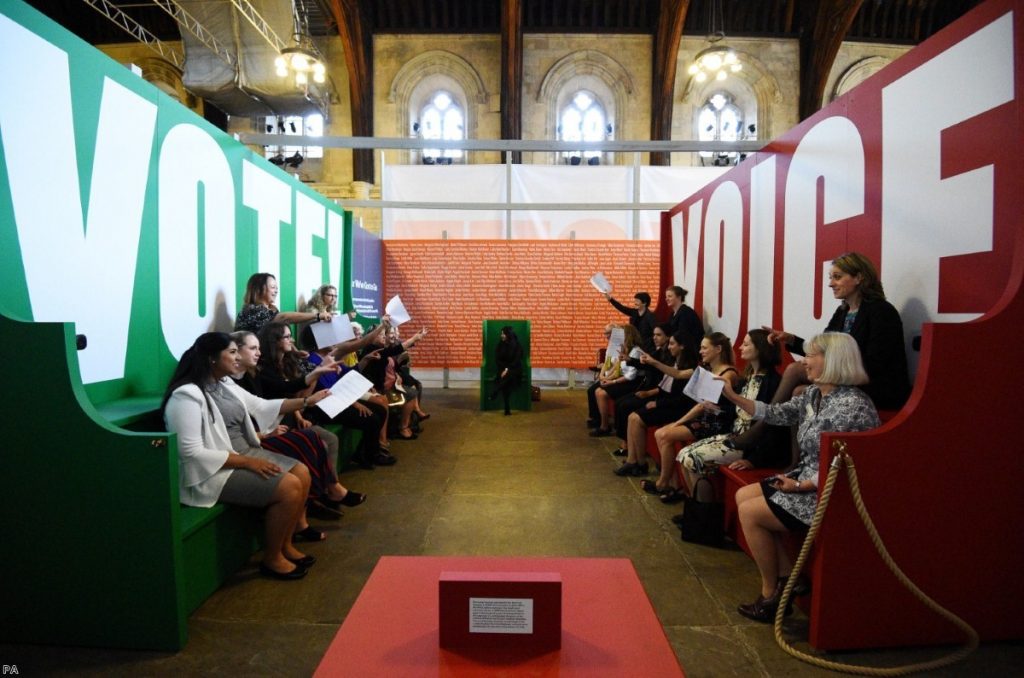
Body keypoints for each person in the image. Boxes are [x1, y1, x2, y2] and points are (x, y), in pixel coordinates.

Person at [719, 332, 880, 622]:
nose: (805, 362)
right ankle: (789, 580)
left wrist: (803, 484)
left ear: (832, 361)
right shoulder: (814, 395)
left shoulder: (853, 406)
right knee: (744, 495)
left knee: (751, 512)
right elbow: (776, 413)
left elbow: (850, 466)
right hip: (804, 480)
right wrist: (734, 397)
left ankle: (772, 594)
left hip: (828, 491)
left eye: (811, 356)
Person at [162, 332, 331, 580]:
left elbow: (262, 406)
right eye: (231, 352)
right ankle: (272, 558)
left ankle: (284, 545)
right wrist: (249, 463)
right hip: (212, 472)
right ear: (211, 359)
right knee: (289, 487)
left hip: (243, 454)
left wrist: (307, 401)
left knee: (302, 474)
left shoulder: (225, 385)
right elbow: (191, 452)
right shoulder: (186, 395)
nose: (236, 358)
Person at [732, 252, 910, 451]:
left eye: (837, 277)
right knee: (800, 392)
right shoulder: (843, 312)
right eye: (830, 278)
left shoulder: (882, 311)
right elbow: (821, 350)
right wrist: (791, 340)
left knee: (793, 369)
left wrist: (832, 371)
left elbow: (876, 364)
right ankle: (796, 462)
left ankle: (762, 428)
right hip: (847, 380)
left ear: (859, 277)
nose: (831, 284)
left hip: (875, 385)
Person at [228, 331, 369, 521]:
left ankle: (322, 495)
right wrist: (265, 433)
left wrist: (306, 399)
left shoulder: (251, 374)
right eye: (252, 348)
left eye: (258, 348)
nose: (258, 353)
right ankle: (319, 499)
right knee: (310, 449)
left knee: (321, 441)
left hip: (277, 424)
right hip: (260, 436)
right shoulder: (206, 390)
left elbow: (273, 400)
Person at [669, 330, 788, 509]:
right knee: (684, 454)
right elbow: (735, 411)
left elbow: (772, 426)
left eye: (747, 344)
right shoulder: (748, 377)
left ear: (761, 349)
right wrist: (717, 410)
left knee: (691, 458)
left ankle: (704, 517)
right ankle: (696, 509)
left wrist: (753, 460)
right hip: (734, 436)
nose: (740, 347)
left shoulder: (773, 382)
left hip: (749, 446)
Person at [642, 332, 740, 503]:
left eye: (704, 348)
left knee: (664, 434)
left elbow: (704, 405)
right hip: (705, 418)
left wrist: (679, 422)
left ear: (718, 349)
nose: (700, 351)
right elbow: (680, 376)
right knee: (661, 434)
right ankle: (673, 485)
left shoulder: (728, 374)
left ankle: (667, 485)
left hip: (716, 423)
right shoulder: (708, 369)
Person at [613, 330, 699, 477]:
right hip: (666, 401)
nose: (669, 347)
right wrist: (632, 360)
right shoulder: (673, 360)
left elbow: (680, 392)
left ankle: (639, 463)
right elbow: (657, 371)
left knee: (636, 417)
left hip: (676, 407)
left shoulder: (693, 367)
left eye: (672, 344)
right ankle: (634, 460)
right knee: (632, 416)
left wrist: (657, 403)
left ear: (683, 346)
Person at [609, 323, 672, 455]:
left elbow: (667, 380)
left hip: (657, 393)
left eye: (658, 335)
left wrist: (649, 393)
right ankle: (626, 444)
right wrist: (629, 359)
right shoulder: (659, 351)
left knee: (626, 406)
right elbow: (649, 366)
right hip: (651, 388)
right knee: (620, 403)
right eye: (654, 335)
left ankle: (631, 450)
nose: (654, 337)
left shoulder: (668, 356)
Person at [234, 273, 334, 334]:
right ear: (259, 289)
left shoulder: (272, 309)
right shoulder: (252, 310)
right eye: (273, 287)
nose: (276, 291)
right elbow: (284, 318)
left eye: (276, 288)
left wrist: (295, 351)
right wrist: (318, 316)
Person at [590, 324, 644, 436]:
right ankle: (603, 424)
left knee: (601, 393)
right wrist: (606, 377)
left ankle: (604, 426)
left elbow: (631, 376)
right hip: (623, 378)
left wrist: (612, 381)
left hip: (633, 383)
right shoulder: (624, 349)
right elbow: (616, 365)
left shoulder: (636, 351)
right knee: (597, 391)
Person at [489, 326, 523, 416]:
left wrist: (507, 369)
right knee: (506, 383)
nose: (501, 335)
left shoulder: (517, 345)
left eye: (503, 333)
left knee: (506, 377)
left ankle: (495, 391)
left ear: (508, 334)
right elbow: (498, 359)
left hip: (515, 369)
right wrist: (504, 369)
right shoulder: (500, 345)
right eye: (501, 334)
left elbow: (516, 360)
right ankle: (507, 409)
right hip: (503, 370)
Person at [663, 285, 704, 354]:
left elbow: (685, 336)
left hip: (688, 353)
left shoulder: (686, 312)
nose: (666, 299)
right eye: (666, 296)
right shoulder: (672, 314)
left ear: (679, 297)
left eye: (670, 296)